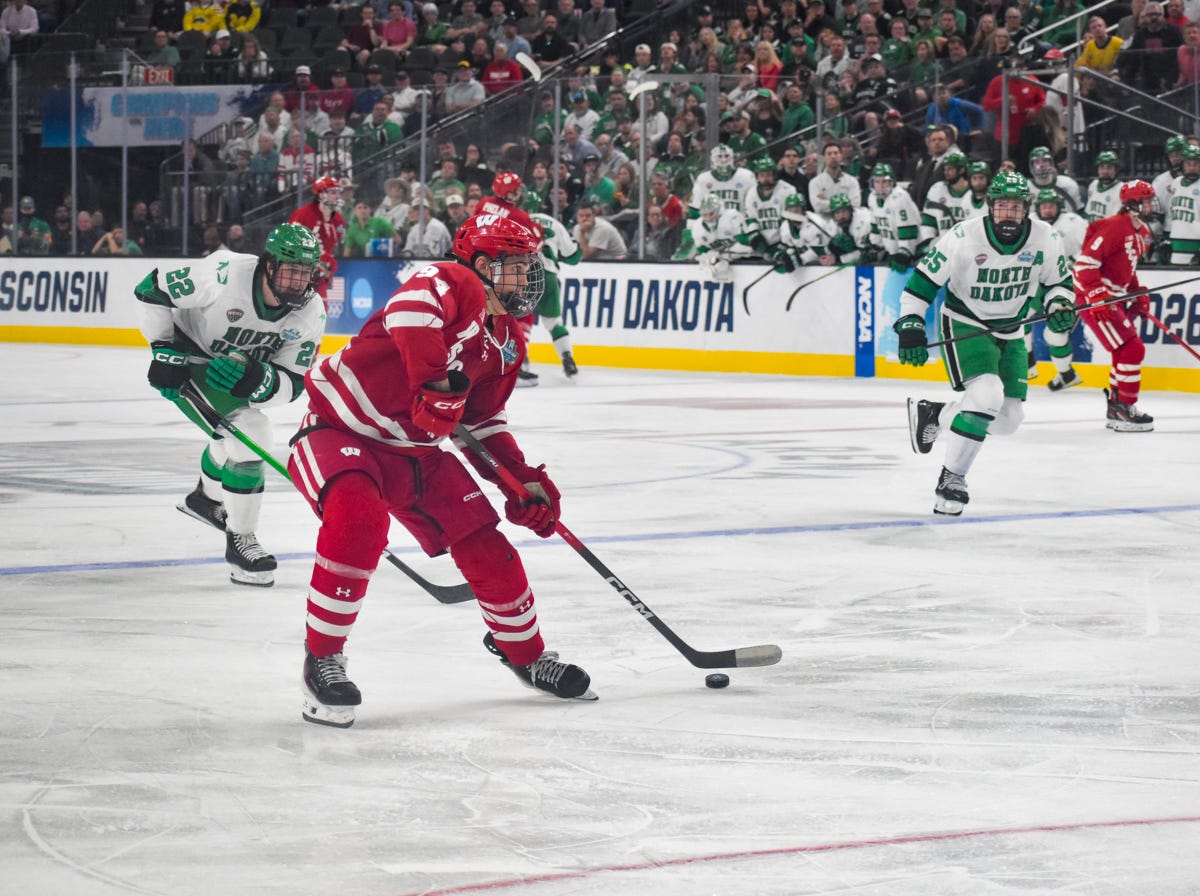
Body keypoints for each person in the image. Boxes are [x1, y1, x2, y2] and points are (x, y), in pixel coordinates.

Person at [287, 214, 594, 728]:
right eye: (517, 266)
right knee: (359, 522)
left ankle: (525, 655)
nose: (528, 278)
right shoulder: (454, 282)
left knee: (488, 548)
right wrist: (433, 384)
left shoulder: (508, 342)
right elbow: (408, 311)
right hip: (339, 431)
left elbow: (482, 422)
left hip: (415, 453)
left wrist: (519, 480)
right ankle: (322, 657)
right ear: (482, 264)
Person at [135, 223, 326, 586]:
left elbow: (292, 382)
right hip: (188, 350)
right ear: (268, 264)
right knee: (251, 431)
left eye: (305, 272)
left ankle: (205, 499)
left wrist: (258, 380)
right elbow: (152, 287)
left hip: (230, 368)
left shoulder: (310, 313)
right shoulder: (223, 274)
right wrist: (163, 349)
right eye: (289, 269)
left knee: (234, 437)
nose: (297, 280)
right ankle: (241, 540)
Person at [897, 172, 1075, 515]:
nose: (1008, 213)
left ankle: (937, 413)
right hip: (966, 321)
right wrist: (910, 323)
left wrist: (1059, 305)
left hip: (1011, 328)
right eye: (1002, 206)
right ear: (990, 206)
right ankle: (952, 479)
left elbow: (1059, 284)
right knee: (986, 396)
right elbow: (922, 283)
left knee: (1008, 419)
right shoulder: (964, 236)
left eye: (1016, 207)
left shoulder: (1046, 237)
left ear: (1027, 209)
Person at [1074, 180, 1157, 431]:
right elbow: (1084, 265)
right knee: (1132, 349)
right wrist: (1097, 297)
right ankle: (1124, 407)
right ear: (1132, 205)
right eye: (1146, 200)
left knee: (1124, 351)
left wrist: (1136, 292)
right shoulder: (1114, 227)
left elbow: (1126, 268)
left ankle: (1117, 407)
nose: (1151, 204)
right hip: (1096, 298)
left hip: (1113, 297)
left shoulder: (1140, 231)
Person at [1030, 188, 1087, 390]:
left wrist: (1075, 260)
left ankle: (1067, 374)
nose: (1047, 209)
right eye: (1043, 206)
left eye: (1051, 206)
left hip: (1069, 284)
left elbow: (1090, 248)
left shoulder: (1074, 222)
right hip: (1039, 284)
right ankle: (1028, 364)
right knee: (1017, 318)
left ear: (1059, 207)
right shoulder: (1030, 224)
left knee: (1054, 334)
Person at [528, 208, 582, 377]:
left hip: (522, 274)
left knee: (515, 320)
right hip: (548, 276)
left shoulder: (516, 219)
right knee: (554, 322)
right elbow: (573, 256)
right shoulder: (554, 223)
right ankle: (567, 358)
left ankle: (519, 361)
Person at [288, 175, 346, 303]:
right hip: (299, 269)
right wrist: (312, 259)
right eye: (332, 192)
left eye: (338, 193)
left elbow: (333, 245)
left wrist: (327, 262)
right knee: (296, 305)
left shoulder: (339, 221)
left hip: (321, 273)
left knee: (321, 306)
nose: (337, 196)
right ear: (321, 195)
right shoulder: (303, 214)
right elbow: (291, 242)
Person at [865, 164, 920, 272]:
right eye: (877, 182)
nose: (880, 186)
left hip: (915, 253)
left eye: (884, 182)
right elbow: (876, 226)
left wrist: (905, 252)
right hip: (893, 253)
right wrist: (875, 248)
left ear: (892, 182)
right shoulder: (872, 198)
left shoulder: (899, 197)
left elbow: (908, 228)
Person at [1166, 144, 1200, 265]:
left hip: (1196, 243)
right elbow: (1171, 212)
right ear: (1183, 165)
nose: (1192, 168)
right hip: (1176, 241)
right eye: (1188, 164)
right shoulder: (1175, 183)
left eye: (1195, 164)